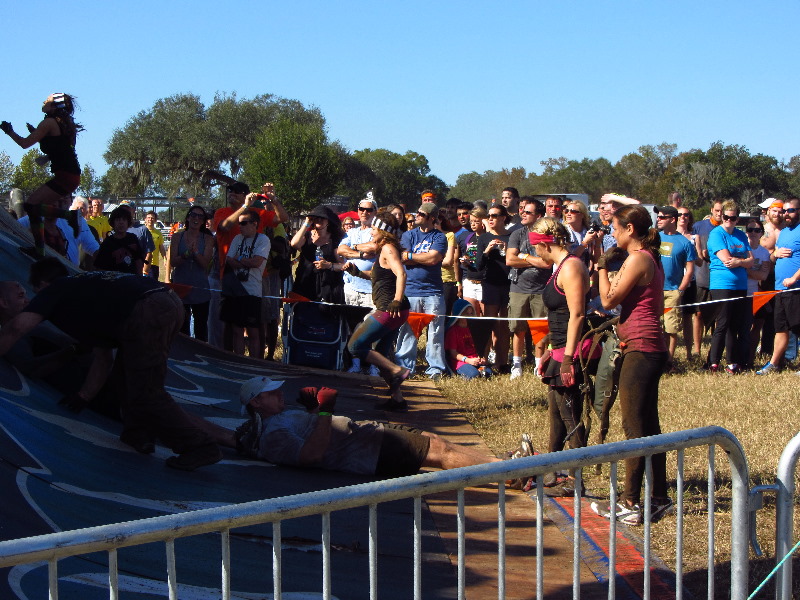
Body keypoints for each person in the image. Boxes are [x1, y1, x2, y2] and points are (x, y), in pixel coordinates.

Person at [0, 258, 221, 470]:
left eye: (32, 293)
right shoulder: (84, 290)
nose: (32, 300)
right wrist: (84, 396)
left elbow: (15, 328)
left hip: (148, 310)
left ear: (43, 285)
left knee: (147, 390)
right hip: (166, 300)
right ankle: (138, 433)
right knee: (125, 377)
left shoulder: (54, 291)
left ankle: (198, 445)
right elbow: (104, 357)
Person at [234, 377, 501, 477]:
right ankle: (509, 473)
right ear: (257, 402)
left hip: (367, 435)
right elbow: (312, 455)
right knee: (438, 452)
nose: (280, 393)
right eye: (272, 393)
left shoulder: (279, 420)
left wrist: (313, 409)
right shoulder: (272, 434)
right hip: (367, 452)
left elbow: (314, 434)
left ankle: (503, 464)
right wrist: (325, 411)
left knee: (434, 440)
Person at [592, 204, 672, 526]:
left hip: (641, 348)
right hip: (647, 347)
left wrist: (600, 267)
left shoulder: (638, 259)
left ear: (630, 230)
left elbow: (609, 299)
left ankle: (629, 503)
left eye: (615, 226)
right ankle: (659, 498)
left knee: (634, 427)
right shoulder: (648, 257)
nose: (611, 231)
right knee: (649, 425)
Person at [532, 218, 593, 497]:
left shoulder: (571, 267)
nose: (535, 255)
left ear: (545, 243)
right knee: (556, 415)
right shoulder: (560, 268)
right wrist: (547, 343)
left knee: (571, 417)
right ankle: (552, 471)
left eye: (536, 248)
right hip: (558, 348)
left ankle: (575, 479)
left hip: (572, 351)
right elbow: (559, 315)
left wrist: (568, 358)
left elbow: (577, 314)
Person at [344, 212, 412, 409]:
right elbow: (377, 276)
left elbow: (401, 274)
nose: (371, 232)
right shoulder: (384, 249)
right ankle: (398, 400)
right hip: (393, 309)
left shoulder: (389, 248)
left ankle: (398, 370)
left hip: (390, 309)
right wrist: (356, 272)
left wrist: (397, 300)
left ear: (383, 231)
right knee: (380, 355)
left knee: (355, 346)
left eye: (374, 229)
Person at [1, 93, 82, 256]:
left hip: (65, 175)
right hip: (71, 174)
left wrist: (9, 131)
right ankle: (40, 248)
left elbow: (24, 144)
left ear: (54, 106)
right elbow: (60, 146)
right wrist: (38, 135)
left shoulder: (48, 123)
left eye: (48, 100)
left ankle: (68, 217)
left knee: (31, 206)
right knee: (34, 207)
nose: (44, 101)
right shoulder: (65, 123)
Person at [395, 202, 448, 381]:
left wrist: (411, 257)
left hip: (433, 292)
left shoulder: (439, 237)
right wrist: (416, 258)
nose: (416, 215)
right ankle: (404, 366)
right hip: (411, 290)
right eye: (416, 212)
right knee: (408, 331)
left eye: (420, 213)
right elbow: (403, 258)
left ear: (431, 218)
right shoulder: (408, 235)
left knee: (435, 333)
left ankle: (435, 368)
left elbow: (434, 259)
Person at [505, 198, 550, 379]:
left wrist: (522, 257)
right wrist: (532, 260)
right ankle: (516, 364)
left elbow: (547, 263)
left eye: (528, 212)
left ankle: (539, 365)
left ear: (538, 216)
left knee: (540, 329)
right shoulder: (517, 234)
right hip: (518, 288)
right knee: (518, 329)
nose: (523, 213)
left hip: (541, 289)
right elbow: (509, 260)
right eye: (522, 210)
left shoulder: (546, 235)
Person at [706, 200, 753, 373]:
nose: (729, 221)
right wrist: (743, 261)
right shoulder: (716, 234)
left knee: (736, 325)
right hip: (722, 284)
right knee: (722, 323)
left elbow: (751, 261)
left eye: (733, 218)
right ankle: (713, 362)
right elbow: (726, 260)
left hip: (740, 284)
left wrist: (739, 261)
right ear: (721, 216)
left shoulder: (740, 236)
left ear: (737, 219)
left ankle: (732, 362)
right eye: (726, 217)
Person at [758, 197, 800, 374]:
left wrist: (794, 278)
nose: (785, 214)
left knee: (798, 327)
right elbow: (773, 257)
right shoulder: (783, 232)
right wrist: (775, 253)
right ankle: (774, 363)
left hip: (795, 288)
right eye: (784, 211)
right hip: (779, 288)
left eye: (790, 210)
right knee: (780, 328)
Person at [337, 199, 379, 375]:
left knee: (373, 329)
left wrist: (352, 250)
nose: (364, 212)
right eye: (361, 209)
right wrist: (361, 253)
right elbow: (340, 250)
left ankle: (374, 366)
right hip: (352, 288)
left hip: (372, 288)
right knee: (353, 328)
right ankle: (355, 362)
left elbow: (375, 248)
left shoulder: (378, 232)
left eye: (368, 210)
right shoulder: (352, 231)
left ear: (375, 212)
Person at [222, 209, 271, 357]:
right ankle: (239, 360)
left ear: (254, 224)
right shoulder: (237, 238)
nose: (240, 226)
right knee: (237, 330)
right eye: (239, 223)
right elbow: (228, 260)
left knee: (253, 330)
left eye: (243, 223)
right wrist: (244, 262)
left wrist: (240, 260)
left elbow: (257, 262)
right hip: (234, 289)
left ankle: (254, 361)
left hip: (252, 291)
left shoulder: (263, 239)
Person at [654, 205, 696, 370]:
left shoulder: (685, 243)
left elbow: (690, 269)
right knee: (655, 326)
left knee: (671, 328)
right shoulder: (655, 238)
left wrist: (680, 290)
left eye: (662, 217)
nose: (658, 219)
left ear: (673, 219)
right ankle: (656, 358)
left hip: (672, 291)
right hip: (655, 289)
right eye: (658, 217)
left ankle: (668, 362)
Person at [166, 207, 214, 341]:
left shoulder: (208, 239)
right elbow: (174, 261)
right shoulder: (177, 236)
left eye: (200, 217)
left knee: (201, 327)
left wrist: (196, 253)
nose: (196, 219)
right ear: (188, 218)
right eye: (193, 215)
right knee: (181, 326)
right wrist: (187, 254)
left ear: (204, 221)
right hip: (181, 287)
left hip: (200, 287)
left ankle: (201, 357)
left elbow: (205, 264)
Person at [475, 204, 511, 372]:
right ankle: (484, 361)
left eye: (495, 215)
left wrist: (505, 251)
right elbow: (478, 266)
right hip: (490, 284)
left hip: (508, 285)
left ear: (503, 217)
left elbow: (515, 263)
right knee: (488, 323)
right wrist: (487, 251)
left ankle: (502, 362)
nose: (490, 218)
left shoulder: (512, 237)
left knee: (504, 326)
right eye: (489, 215)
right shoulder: (483, 238)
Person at [290, 205, 345, 303]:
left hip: (327, 286)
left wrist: (328, 265)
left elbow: (342, 265)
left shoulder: (335, 239)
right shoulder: (307, 236)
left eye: (322, 218)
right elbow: (294, 243)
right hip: (305, 282)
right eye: (316, 218)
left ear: (328, 221)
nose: (319, 220)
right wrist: (306, 223)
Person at [744, 218, 771, 367]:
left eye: (757, 230)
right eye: (750, 229)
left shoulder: (764, 253)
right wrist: (753, 272)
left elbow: (763, 276)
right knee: (742, 327)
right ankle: (739, 357)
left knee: (757, 326)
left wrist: (745, 269)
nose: (753, 233)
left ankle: (750, 359)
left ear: (761, 233)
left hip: (756, 294)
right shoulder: (741, 249)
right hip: (740, 292)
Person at [94, 206, 145, 274]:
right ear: (113, 223)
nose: (121, 223)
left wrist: (139, 279)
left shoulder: (133, 239)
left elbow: (138, 261)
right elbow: (100, 268)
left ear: (128, 222)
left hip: (132, 281)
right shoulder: (107, 243)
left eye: (124, 219)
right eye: (118, 220)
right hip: (115, 282)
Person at [458, 207, 487, 318]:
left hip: (484, 283)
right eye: (471, 221)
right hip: (470, 280)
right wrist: (466, 260)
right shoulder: (469, 237)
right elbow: (468, 254)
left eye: (476, 221)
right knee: (471, 316)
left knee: (488, 318)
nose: (473, 224)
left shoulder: (488, 237)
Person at [144, 211, 166, 280]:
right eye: (148, 217)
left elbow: (161, 248)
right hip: (143, 263)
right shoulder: (141, 231)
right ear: (145, 219)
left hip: (154, 264)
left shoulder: (158, 233)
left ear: (155, 220)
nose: (150, 219)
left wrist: (165, 259)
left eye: (152, 218)